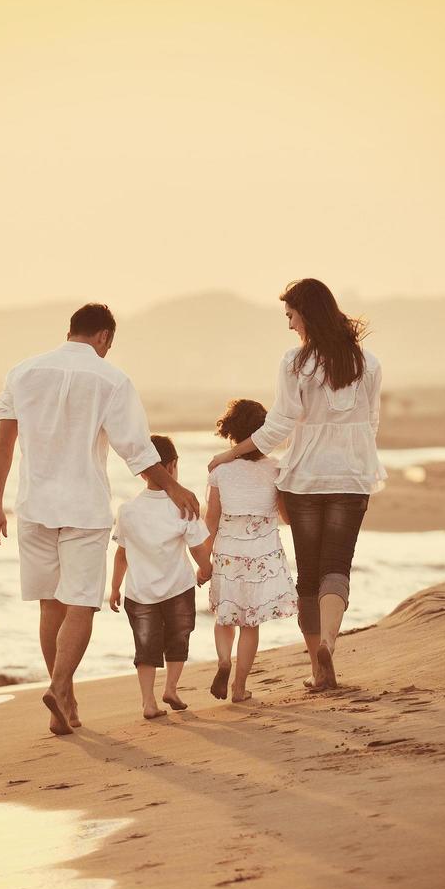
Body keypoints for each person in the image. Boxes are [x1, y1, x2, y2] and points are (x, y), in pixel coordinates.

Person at [0, 303, 201, 736]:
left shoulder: (22, 373)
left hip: (33, 505)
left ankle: (60, 701)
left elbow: (4, 445)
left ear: (71, 331)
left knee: (50, 603)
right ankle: (60, 685)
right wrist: (174, 487)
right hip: (84, 507)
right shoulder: (112, 379)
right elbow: (136, 450)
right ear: (104, 338)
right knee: (81, 602)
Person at [207, 279, 384, 691]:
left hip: (304, 480)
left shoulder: (295, 363)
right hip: (353, 478)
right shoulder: (368, 363)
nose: (289, 325)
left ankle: (317, 668)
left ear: (307, 313)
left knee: (308, 574)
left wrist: (229, 455)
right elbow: (371, 424)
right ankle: (327, 644)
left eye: (291, 315)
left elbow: (278, 427)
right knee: (337, 567)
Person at [108, 435, 213, 720]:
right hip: (178, 588)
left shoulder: (128, 510)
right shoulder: (185, 504)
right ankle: (171, 688)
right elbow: (197, 549)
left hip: (139, 593)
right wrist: (207, 570)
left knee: (145, 647)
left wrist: (115, 587)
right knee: (179, 638)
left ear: (142, 471)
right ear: (173, 466)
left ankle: (148, 702)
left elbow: (121, 554)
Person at [202, 399, 298, 703]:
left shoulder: (220, 470)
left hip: (229, 551)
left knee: (224, 616)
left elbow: (211, 520)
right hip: (263, 555)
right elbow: (286, 517)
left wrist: (203, 561)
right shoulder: (275, 469)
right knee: (250, 623)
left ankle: (223, 661)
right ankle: (240, 687)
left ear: (231, 431)